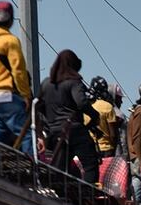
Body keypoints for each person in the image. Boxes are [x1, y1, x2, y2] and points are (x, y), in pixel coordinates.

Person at [39, 50, 101, 183]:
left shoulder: (46, 83)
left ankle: (60, 193)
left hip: (54, 133)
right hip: (74, 130)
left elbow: (39, 106)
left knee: (60, 167)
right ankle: (88, 195)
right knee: (90, 164)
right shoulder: (74, 82)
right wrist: (95, 115)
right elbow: (81, 102)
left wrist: (49, 123)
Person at [0, 1, 32, 149]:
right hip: (7, 96)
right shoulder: (10, 41)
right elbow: (19, 71)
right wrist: (26, 94)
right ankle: (32, 170)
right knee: (25, 134)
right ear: (10, 19)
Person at [85, 76, 119, 155]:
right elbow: (113, 135)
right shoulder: (108, 107)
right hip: (107, 150)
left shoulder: (86, 107)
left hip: (90, 150)